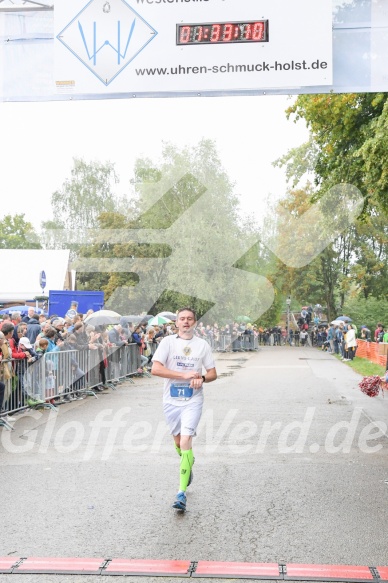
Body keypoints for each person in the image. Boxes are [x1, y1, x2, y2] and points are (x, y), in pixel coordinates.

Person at [151, 307, 217, 512]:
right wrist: (183, 375)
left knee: (187, 439)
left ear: (195, 322)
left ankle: (181, 493)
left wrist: (202, 378)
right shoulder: (167, 342)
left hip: (193, 400)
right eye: (182, 319)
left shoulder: (202, 345)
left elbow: (213, 373)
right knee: (179, 443)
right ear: (176, 323)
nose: (186, 322)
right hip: (171, 399)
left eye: (190, 319)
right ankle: (188, 462)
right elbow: (155, 369)